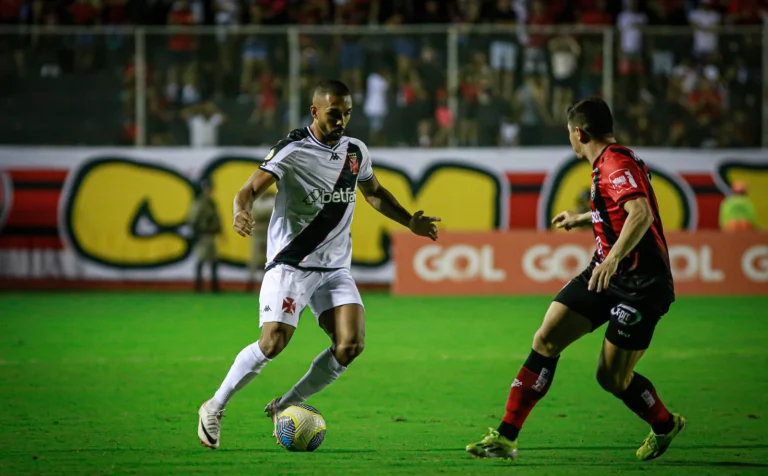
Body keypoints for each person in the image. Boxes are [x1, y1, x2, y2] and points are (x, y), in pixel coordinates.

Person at [197, 80, 441, 449]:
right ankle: (214, 407)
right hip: (291, 264)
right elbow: (248, 189)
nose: (342, 120)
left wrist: (409, 221)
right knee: (273, 342)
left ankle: (286, 405)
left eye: (347, 113)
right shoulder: (292, 150)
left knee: (350, 345)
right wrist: (239, 211)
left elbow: (373, 193)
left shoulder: (355, 151)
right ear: (315, 111)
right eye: (334, 113)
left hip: (335, 269)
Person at [466, 98, 684, 461]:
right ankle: (505, 436)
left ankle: (665, 424)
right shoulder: (612, 161)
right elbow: (617, 207)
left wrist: (613, 258)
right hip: (604, 272)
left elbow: (640, 213)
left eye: (570, 133)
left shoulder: (614, 163)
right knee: (547, 337)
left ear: (578, 133)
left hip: (640, 285)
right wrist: (583, 218)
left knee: (611, 378)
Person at [188, 180, 223, 293]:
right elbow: (193, 219)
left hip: (211, 234)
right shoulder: (200, 203)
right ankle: (198, 286)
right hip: (203, 234)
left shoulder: (211, 203)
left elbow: (217, 218)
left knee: (213, 260)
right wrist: (195, 232)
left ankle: (214, 286)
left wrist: (219, 230)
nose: (209, 191)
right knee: (202, 259)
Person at [246, 188, 276, 292]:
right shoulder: (259, 202)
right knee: (255, 261)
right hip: (259, 234)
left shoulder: (259, 203)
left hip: (268, 234)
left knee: (269, 260)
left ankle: (265, 284)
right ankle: (250, 284)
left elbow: (258, 212)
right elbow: (258, 212)